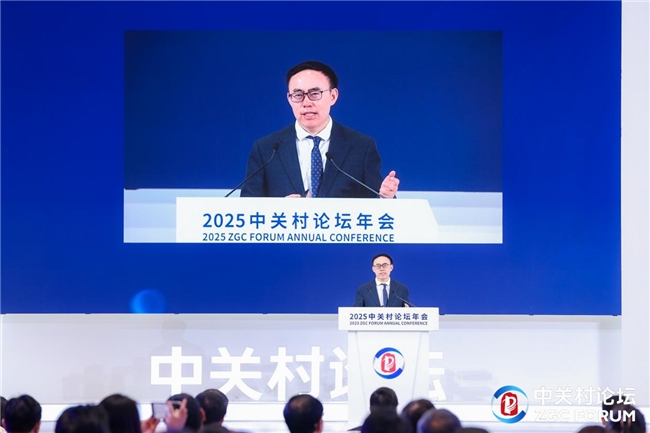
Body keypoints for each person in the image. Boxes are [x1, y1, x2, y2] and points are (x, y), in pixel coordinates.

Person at [240, 60, 399, 199]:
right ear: (289, 99)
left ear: (333, 96)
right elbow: (247, 206)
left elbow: (377, 205)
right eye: (298, 95)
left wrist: (385, 197)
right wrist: (279, 209)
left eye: (315, 94)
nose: (306, 103)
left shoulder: (361, 147)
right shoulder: (266, 149)